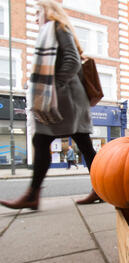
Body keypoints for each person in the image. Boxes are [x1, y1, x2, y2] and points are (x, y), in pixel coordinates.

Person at [0, 0, 102, 211]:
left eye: (37, 12)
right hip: (71, 98)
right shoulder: (57, 30)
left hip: (65, 99)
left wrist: (53, 86)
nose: (35, 17)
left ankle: (32, 195)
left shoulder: (57, 27)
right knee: (82, 144)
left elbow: (73, 62)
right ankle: (100, 189)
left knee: (42, 139)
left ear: (48, 11)